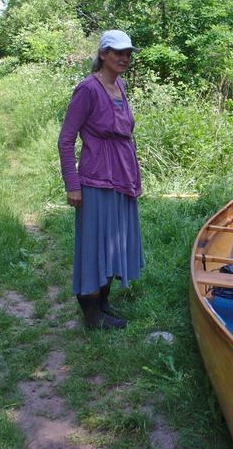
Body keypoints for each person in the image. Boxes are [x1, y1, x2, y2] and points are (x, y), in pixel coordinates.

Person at [58, 29, 144, 329]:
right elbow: (66, 139)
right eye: (118, 52)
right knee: (94, 244)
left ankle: (104, 303)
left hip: (121, 176)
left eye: (128, 53)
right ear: (103, 54)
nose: (124, 58)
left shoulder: (119, 85)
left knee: (113, 241)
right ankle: (92, 315)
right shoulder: (88, 90)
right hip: (96, 179)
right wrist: (72, 184)